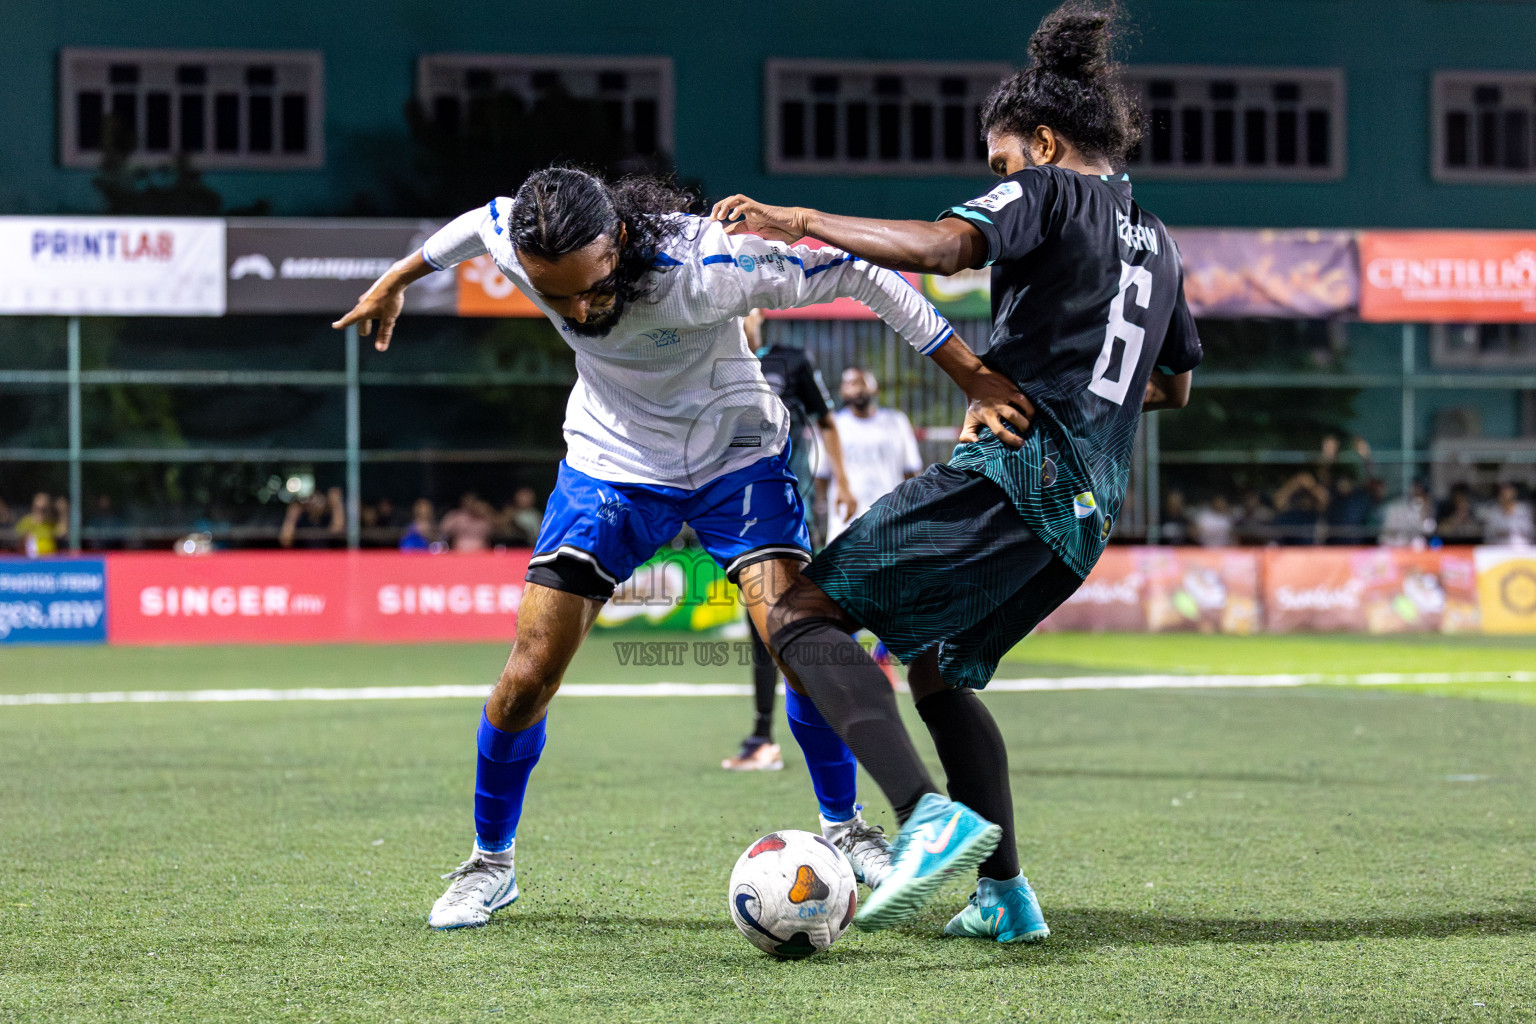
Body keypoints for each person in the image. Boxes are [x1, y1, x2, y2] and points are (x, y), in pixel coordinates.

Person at [333, 166, 1026, 930]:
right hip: (612, 466)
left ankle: (849, 828)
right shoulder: (518, 239)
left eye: (589, 288)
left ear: (621, 243)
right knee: (528, 673)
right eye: (550, 293)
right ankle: (490, 863)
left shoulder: (710, 264)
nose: (574, 310)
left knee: (800, 638)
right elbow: (474, 222)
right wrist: (397, 277)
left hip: (737, 460)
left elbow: (863, 273)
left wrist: (973, 377)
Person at [712, 0, 1201, 941]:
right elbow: (1171, 387)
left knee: (798, 616)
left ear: (1047, 143)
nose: (997, 179)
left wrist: (800, 218)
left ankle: (926, 818)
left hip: (1018, 478)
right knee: (937, 670)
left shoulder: (1052, 192)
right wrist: (1078, 401)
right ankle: (1008, 901)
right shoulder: (1162, 241)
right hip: (1090, 513)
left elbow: (944, 250)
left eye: (1002, 162)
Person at [723, 309, 858, 772]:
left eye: (749, 309)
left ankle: (842, 719)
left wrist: (842, 483)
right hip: (740, 515)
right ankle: (763, 735)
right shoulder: (713, 361)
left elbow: (825, 421)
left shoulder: (790, 361)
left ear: (760, 313)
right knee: (763, 626)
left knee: (805, 619)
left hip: (791, 509)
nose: (743, 317)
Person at [816, 367, 922, 541]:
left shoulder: (896, 421)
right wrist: (819, 509)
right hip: (845, 522)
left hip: (888, 520)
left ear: (875, 388)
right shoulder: (833, 427)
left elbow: (911, 470)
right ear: (842, 391)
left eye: (863, 383)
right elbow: (821, 475)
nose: (858, 389)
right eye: (851, 383)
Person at [279, 487, 344, 549]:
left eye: (319, 500)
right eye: (312, 499)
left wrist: (336, 505)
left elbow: (336, 530)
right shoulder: (302, 519)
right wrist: (292, 514)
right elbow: (286, 541)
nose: (315, 504)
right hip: (305, 557)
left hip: (325, 556)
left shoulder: (326, 518)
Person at [1378, 479, 1435, 548]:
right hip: (1393, 545)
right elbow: (1386, 535)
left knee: (1419, 542)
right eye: (1415, 490)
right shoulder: (1396, 508)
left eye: (1420, 493)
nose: (1416, 495)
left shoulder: (1426, 509)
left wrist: (1423, 512)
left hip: (1412, 549)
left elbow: (1429, 530)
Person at [14, 492, 67, 556]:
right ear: (34, 505)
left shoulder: (51, 523)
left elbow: (62, 532)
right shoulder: (26, 522)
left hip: (50, 558)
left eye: (44, 509)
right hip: (32, 559)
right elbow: (18, 539)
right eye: (40, 501)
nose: (42, 504)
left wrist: (63, 513)